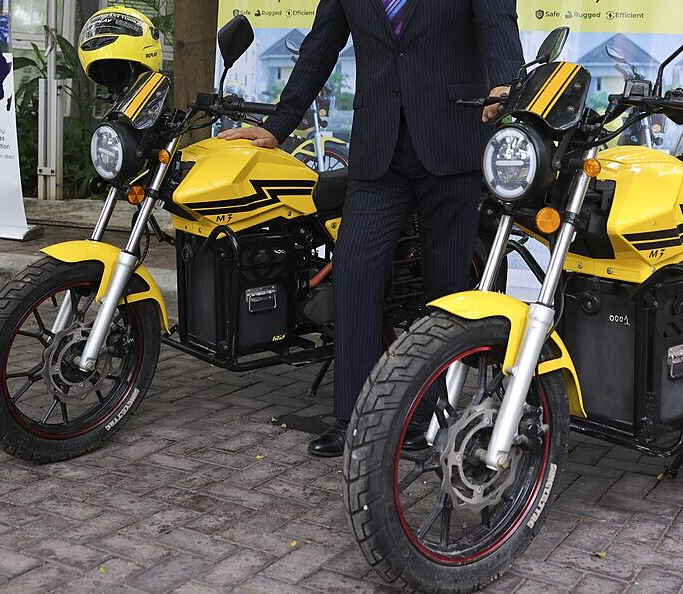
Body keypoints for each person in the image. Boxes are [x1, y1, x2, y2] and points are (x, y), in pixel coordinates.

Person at [220, 0, 523, 457]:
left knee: (444, 291)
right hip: (379, 149)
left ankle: (427, 419)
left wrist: (508, 88)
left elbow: (497, 23)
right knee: (355, 273)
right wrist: (278, 127)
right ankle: (353, 420)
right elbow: (320, 46)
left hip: (453, 141)